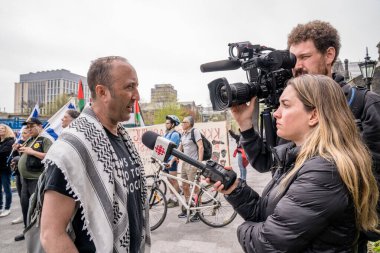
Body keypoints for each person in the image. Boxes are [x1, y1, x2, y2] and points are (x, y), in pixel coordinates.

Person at [232, 21, 380, 251]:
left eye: (304, 57)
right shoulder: (295, 114)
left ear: (329, 54)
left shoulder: (365, 105)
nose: (296, 66)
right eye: (292, 59)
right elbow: (266, 162)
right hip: (292, 222)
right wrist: (246, 128)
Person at [212, 75, 379, 252]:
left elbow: (267, 244)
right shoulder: (298, 159)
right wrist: (235, 189)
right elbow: (270, 214)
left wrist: (241, 229)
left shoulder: (325, 171)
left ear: (313, 115)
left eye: (285, 105)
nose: (276, 113)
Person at [40, 56, 151, 253]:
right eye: (129, 87)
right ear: (102, 92)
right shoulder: (71, 149)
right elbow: (51, 234)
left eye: (137, 87)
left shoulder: (123, 139)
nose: (137, 96)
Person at [12, 118, 52, 241]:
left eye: (31, 126)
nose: (29, 129)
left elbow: (50, 156)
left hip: (36, 179)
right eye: (27, 127)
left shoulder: (45, 139)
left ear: (40, 126)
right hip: (25, 179)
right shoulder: (29, 139)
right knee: (25, 207)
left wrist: (32, 151)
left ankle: (40, 234)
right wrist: (18, 149)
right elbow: (24, 155)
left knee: (37, 208)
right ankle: (27, 231)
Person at [176, 116, 203, 221]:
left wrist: (199, 164)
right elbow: (179, 149)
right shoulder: (183, 134)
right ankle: (189, 208)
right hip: (184, 164)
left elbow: (200, 146)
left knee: (196, 188)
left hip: (193, 164)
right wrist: (171, 161)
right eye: (182, 122)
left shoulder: (194, 132)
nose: (182, 123)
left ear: (190, 124)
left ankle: (198, 212)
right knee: (185, 186)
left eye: (184, 122)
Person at [10, 128, 31, 225]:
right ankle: (23, 215)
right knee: (21, 196)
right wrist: (15, 150)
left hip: (27, 175)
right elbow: (15, 157)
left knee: (27, 199)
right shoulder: (21, 142)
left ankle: (29, 219)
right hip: (19, 173)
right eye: (22, 133)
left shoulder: (32, 143)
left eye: (25, 133)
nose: (23, 135)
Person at [163, 115, 181, 208]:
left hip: (171, 160)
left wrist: (172, 160)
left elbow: (175, 150)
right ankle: (172, 197)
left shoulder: (175, 134)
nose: (166, 124)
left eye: (168, 123)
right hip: (165, 160)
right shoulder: (166, 133)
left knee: (174, 180)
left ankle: (175, 200)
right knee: (169, 180)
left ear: (173, 124)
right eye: (165, 123)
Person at [0, 124, 16, 217]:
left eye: (2, 129)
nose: (1, 130)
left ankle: (7, 208)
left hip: (5, 169)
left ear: (7, 130)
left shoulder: (10, 141)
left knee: (6, 188)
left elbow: (3, 153)